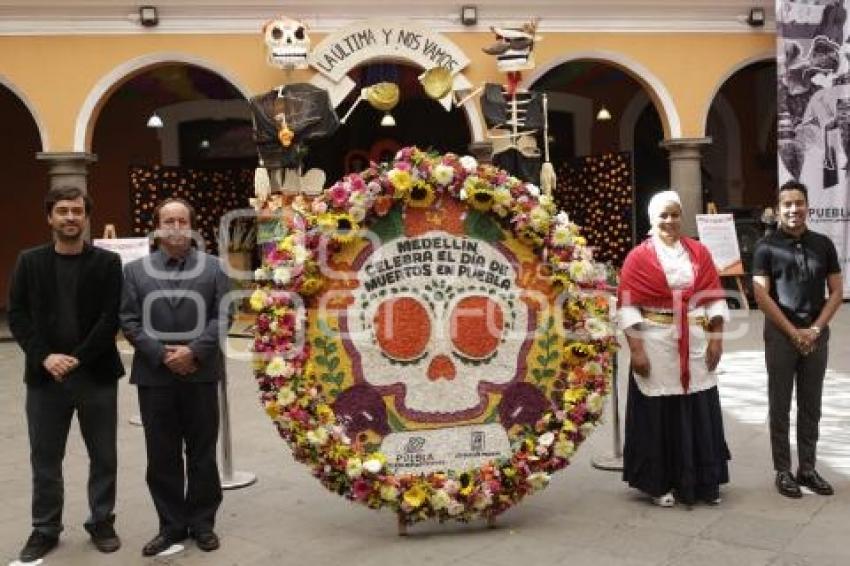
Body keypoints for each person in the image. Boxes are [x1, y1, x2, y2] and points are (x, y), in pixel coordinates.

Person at [8, 186, 124, 561]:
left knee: (104, 455)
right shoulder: (29, 261)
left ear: (86, 217)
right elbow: (18, 315)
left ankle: (101, 520)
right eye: (62, 211)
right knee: (44, 458)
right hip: (45, 379)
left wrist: (75, 358)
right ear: (50, 217)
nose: (70, 217)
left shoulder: (107, 264)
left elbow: (110, 319)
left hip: (96, 376)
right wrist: (46, 358)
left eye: (77, 211)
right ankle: (45, 528)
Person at [120, 198, 231, 556]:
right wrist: (162, 355)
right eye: (168, 220)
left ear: (191, 225)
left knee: (201, 453)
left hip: (200, 373)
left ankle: (202, 523)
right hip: (155, 377)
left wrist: (193, 351)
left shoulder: (214, 268)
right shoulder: (135, 271)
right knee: (162, 456)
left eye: (182, 220)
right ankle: (170, 525)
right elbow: (129, 320)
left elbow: (223, 315)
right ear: (156, 226)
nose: (175, 226)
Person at [618, 190, 731, 507]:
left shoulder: (699, 253)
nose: (669, 221)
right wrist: (637, 351)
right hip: (655, 344)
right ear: (651, 219)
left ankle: (703, 481)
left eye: (674, 214)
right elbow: (627, 307)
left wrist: (716, 339)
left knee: (698, 407)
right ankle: (659, 483)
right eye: (663, 215)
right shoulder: (637, 258)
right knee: (658, 414)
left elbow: (715, 298)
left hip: (694, 340)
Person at [752, 180, 843, 498]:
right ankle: (783, 470)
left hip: (816, 334)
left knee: (811, 404)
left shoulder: (824, 244)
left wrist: (816, 329)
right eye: (787, 204)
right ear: (778, 210)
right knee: (780, 404)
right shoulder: (766, 247)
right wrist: (792, 332)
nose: (794, 209)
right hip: (780, 336)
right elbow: (761, 296)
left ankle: (807, 468)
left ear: (808, 206)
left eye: (799, 203)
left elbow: (836, 292)